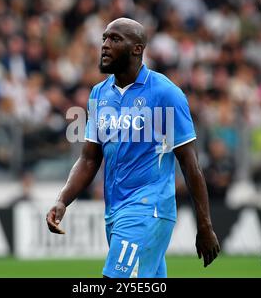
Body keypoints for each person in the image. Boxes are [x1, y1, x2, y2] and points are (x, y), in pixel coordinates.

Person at [46, 18, 220, 278]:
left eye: (115, 39)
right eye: (104, 38)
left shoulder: (165, 93)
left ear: (137, 49)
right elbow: (89, 159)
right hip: (115, 212)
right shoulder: (99, 94)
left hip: (148, 209)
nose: (105, 45)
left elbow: (189, 163)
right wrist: (62, 200)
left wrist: (204, 224)